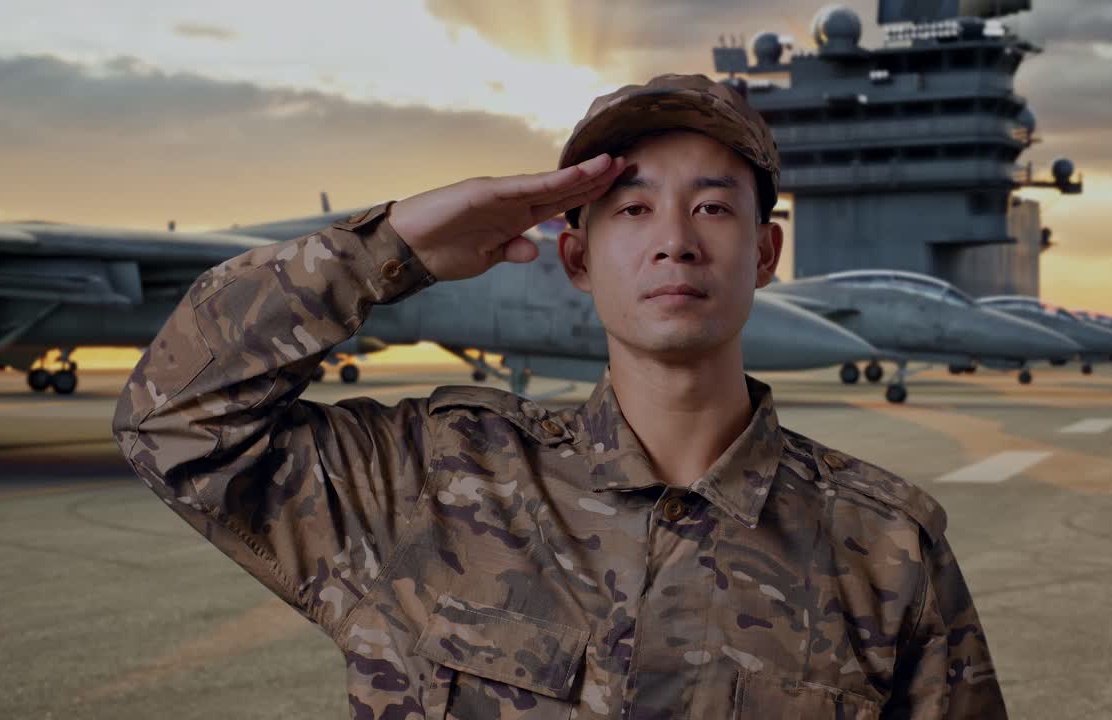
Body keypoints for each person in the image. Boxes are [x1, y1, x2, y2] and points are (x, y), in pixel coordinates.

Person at [113, 73, 1007, 719]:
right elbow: (174, 422)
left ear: (765, 256)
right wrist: (389, 246)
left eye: (713, 208)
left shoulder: (886, 548)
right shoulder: (429, 484)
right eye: (630, 209)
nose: (674, 243)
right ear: (575, 257)